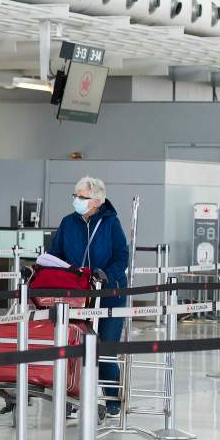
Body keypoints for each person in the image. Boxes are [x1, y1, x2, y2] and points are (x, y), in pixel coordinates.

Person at [47, 175, 128, 414]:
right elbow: (55, 254)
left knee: (104, 349)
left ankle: (113, 400)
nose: (77, 200)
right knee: (72, 346)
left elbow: (121, 256)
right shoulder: (68, 223)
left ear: (97, 201)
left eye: (82, 197)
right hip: (76, 295)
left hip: (110, 294)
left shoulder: (111, 223)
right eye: (76, 196)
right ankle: (72, 399)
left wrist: (106, 276)